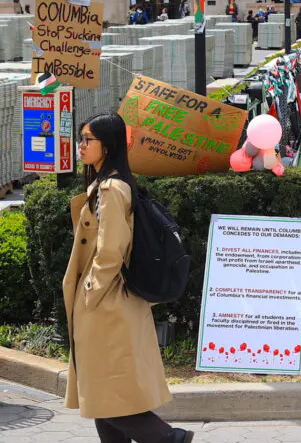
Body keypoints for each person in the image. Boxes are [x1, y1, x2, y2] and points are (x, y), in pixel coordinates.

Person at [66, 113, 189, 443]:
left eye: (88, 139)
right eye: (82, 138)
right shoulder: (109, 184)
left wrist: (89, 292)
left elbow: (110, 252)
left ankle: (170, 438)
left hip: (106, 304)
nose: (81, 145)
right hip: (111, 302)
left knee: (108, 394)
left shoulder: (111, 188)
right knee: (102, 394)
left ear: (108, 145)